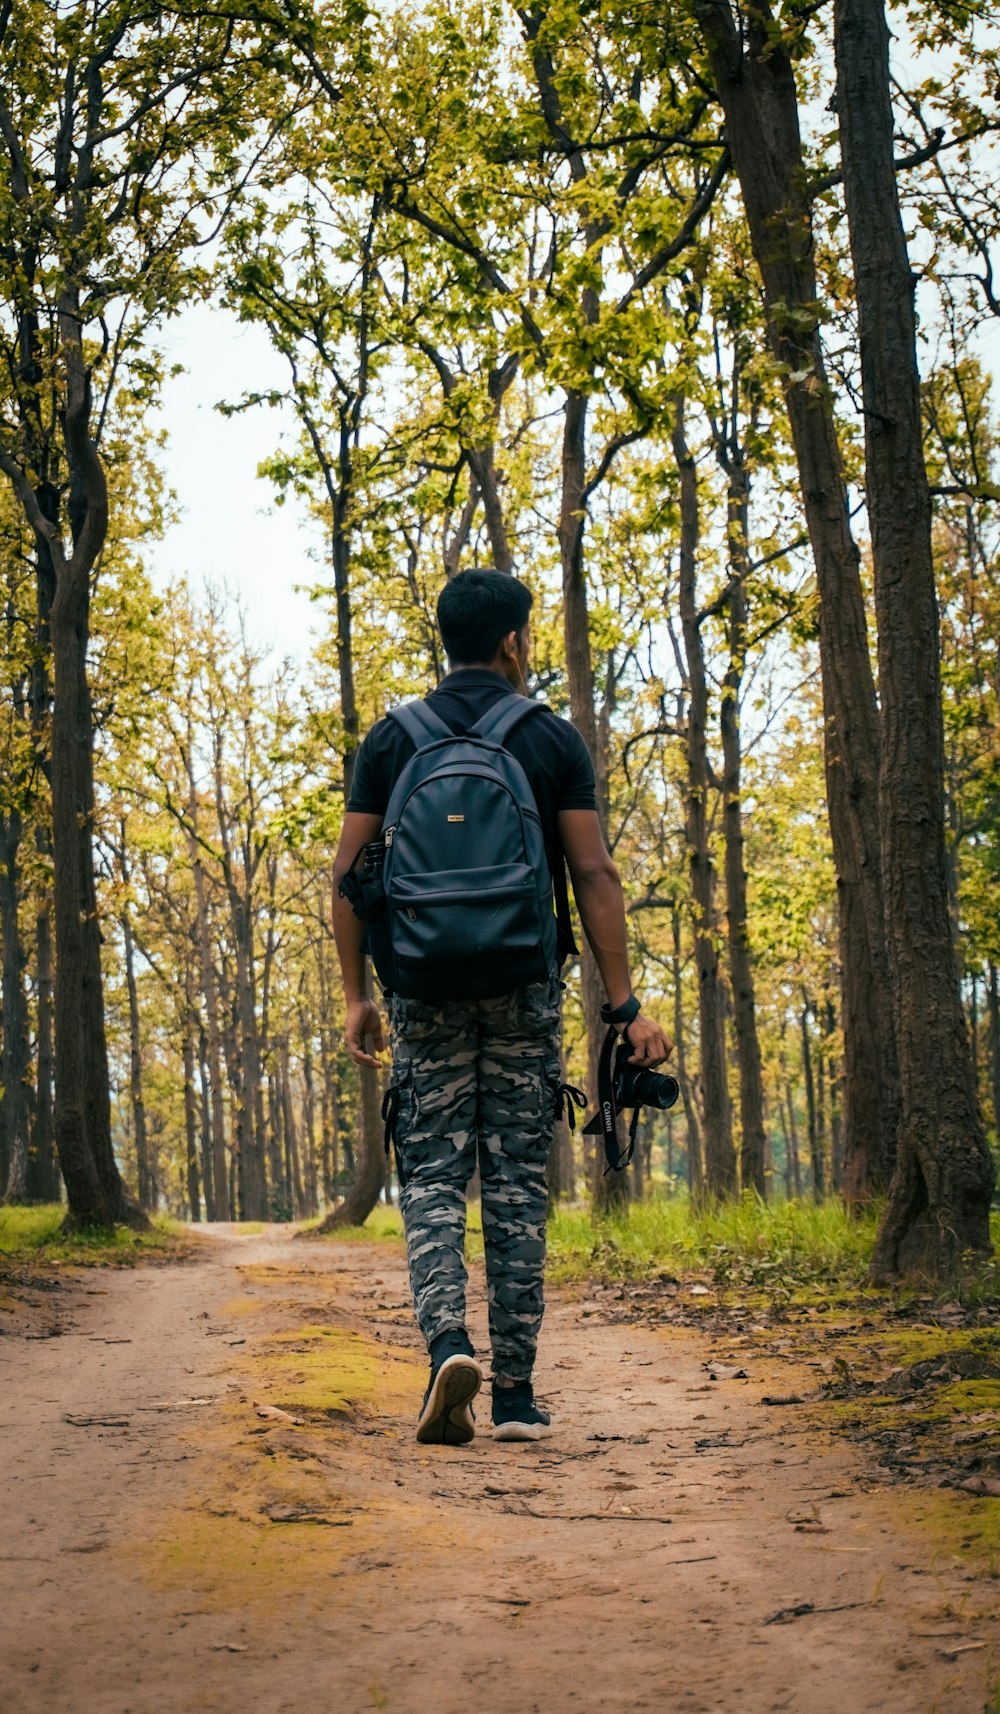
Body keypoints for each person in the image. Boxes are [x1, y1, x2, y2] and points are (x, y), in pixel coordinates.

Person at [331, 569, 672, 1446]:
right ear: (514, 641)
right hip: (524, 991)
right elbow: (592, 873)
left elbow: (347, 881)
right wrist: (623, 1005)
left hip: (422, 992)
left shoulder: (391, 740)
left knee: (434, 1180)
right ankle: (517, 1393)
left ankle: (449, 1343)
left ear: (445, 638)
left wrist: (356, 997)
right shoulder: (549, 738)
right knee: (519, 1185)